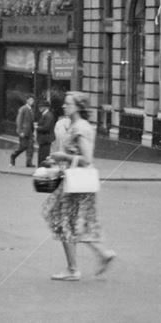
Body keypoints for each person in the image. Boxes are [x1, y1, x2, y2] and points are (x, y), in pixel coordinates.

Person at [42, 91, 116, 282]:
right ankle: (102, 253)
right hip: (76, 180)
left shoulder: (80, 127)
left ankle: (73, 269)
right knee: (76, 221)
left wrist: (62, 157)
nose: (64, 106)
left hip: (76, 182)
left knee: (63, 221)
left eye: (68, 104)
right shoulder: (76, 125)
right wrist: (56, 160)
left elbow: (87, 159)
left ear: (78, 107)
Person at [10, 96, 36, 167]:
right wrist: (20, 131)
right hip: (24, 132)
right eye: (30, 100)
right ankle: (13, 156)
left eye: (33, 100)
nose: (32, 102)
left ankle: (29, 162)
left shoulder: (31, 110)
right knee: (23, 146)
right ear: (27, 100)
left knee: (30, 147)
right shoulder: (23, 109)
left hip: (30, 132)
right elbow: (19, 120)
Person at [36, 102, 56, 167]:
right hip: (43, 138)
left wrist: (37, 127)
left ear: (46, 107)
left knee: (44, 155)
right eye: (39, 107)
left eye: (41, 107)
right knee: (41, 155)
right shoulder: (44, 114)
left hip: (46, 138)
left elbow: (46, 127)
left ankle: (43, 168)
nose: (39, 108)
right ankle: (41, 168)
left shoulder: (48, 115)